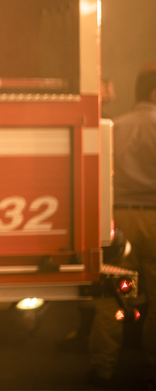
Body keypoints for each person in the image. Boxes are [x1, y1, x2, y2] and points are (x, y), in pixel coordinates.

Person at [88, 62, 156, 387]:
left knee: (115, 293)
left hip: (119, 224)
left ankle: (103, 368)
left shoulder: (115, 127)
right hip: (155, 221)